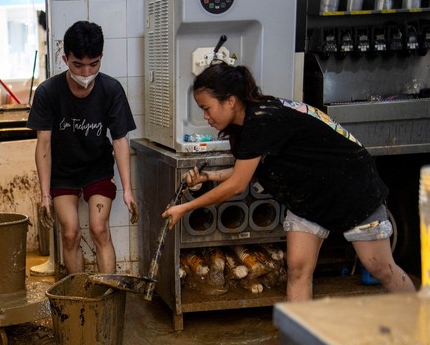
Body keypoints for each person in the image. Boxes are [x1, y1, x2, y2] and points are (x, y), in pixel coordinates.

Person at [163, 62, 415, 301]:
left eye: (206, 108)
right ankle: (298, 344)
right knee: (297, 270)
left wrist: (185, 208)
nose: (205, 116)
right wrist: (208, 177)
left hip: (350, 188)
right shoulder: (248, 122)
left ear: (230, 100)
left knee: (380, 267)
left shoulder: (262, 119)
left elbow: (238, 184)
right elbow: (248, 170)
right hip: (309, 194)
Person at [27, 20, 138, 274]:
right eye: (78, 65)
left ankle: (109, 294)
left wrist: (128, 190)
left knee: (100, 229)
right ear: (65, 58)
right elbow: (43, 145)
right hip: (63, 172)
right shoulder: (48, 92)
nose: (86, 73)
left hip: (97, 169)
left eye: (93, 65)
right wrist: (45, 195)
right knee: (69, 233)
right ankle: (79, 296)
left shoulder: (111, 90)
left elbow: (120, 141)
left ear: (101, 58)